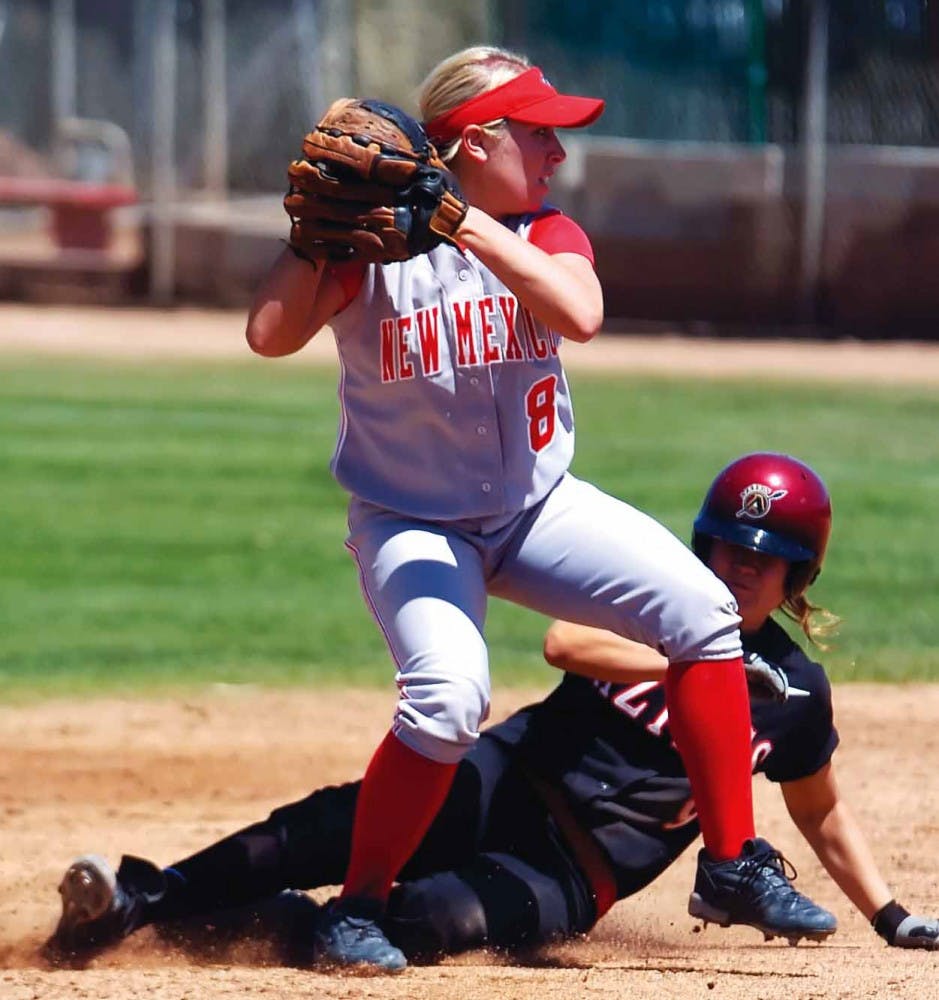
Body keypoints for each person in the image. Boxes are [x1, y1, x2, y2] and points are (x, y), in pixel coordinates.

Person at [191, 45, 817, 971]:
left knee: (703, 614)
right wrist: (308, 240)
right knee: (446, 700)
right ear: (477, 140)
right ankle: (357, 908)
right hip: (413, 523)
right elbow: (268, 335)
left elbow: (579, 314)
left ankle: (729, 862)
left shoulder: (548, 232)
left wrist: (463, 223)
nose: (557, 151)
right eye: (538, 131)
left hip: (536, 508)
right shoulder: (368, 247)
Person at [50, 453, 938, 963]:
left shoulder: (789, 696)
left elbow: (818, 811)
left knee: (432, 920)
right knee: (330, 827)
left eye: (761, 559)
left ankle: (265, 929)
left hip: (573, 871)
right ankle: (141, 895)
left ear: (796, 576)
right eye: (723, 548)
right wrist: (695, 663)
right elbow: (562, 642)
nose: (735, 568)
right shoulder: (654, 615)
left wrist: (890, 917)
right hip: (501, 776)